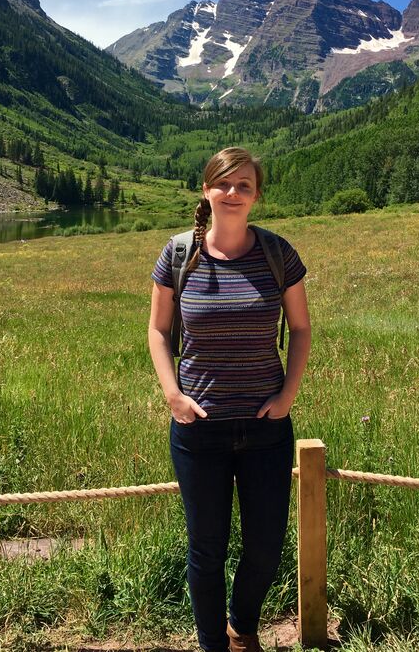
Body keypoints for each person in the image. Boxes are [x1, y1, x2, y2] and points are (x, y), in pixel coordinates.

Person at [148, 147, 311, 652]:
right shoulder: (179, 255)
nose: (234, 193)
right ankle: (211, 645)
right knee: (206, 549)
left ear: (257, 194)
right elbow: (157, 331)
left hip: (266, 428)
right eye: (224, 184)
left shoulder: (278, 254)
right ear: (206, 190)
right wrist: (173, 395)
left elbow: (302, 330)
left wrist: (288, 394)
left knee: (265, 547)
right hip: (200, 430)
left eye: (244, 185)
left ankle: (242, 627)